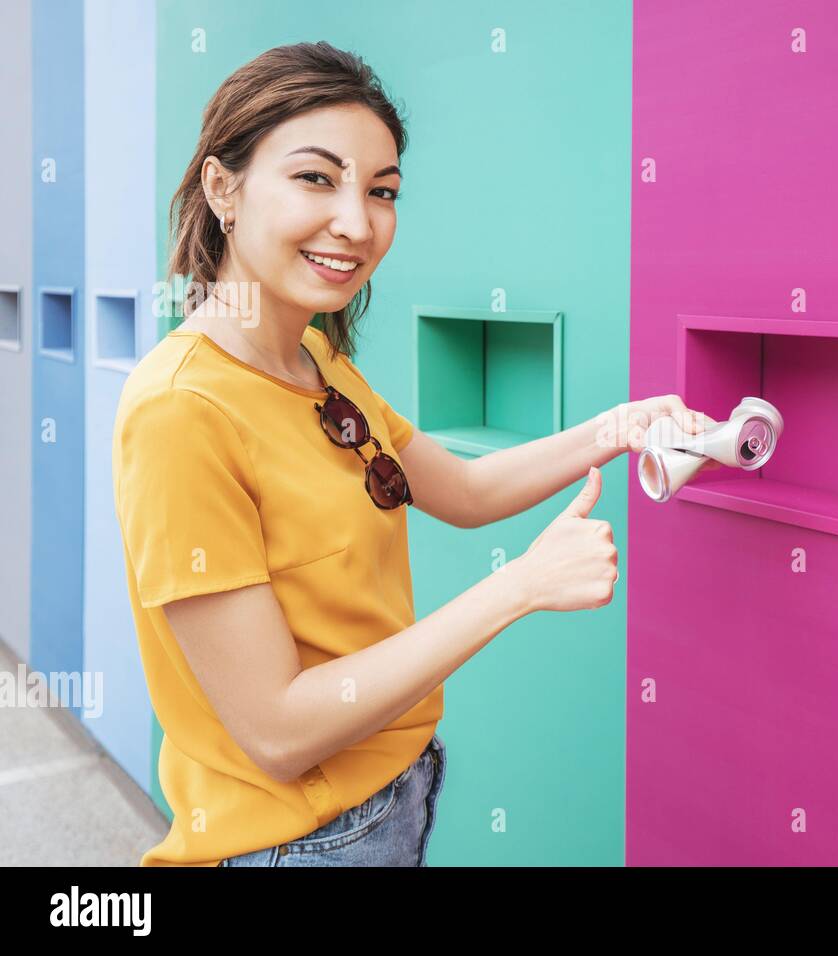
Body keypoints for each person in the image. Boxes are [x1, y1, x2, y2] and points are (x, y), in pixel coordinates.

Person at [111, 41, 717, 866]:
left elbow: (462, 489)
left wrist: (619, 428)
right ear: (223, 186)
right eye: (316, 178)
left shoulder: (318, 362)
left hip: (393, 801)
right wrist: (523, 586)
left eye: (382, 191)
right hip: (295, 845)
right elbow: (279, 731)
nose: (357, 224)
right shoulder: (180, 412)